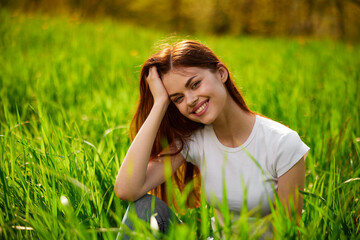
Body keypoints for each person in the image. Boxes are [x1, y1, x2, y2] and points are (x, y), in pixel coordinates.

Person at [114, 40, 309, 238]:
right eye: (178, 98)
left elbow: (289, 233)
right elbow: (127, 189)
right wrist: (160, 104)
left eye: (195, 84)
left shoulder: (282, 143)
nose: (190, 100)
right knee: (144, 208)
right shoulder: (195, 141)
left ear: (221, 73)